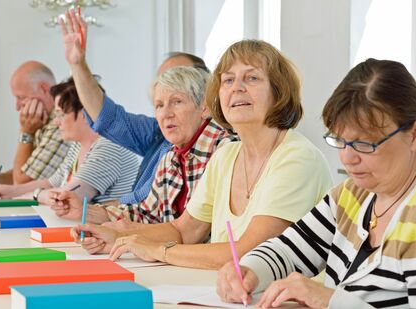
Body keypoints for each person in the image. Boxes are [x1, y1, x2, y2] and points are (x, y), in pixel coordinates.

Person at [68, 40, 332, 270]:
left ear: (279, 92)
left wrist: (158, 250)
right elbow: (185, 230)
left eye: (252, 78)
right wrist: (117, 238)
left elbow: (249, 253)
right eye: (228, 80)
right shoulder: (227, 155)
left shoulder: (297, 157)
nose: (237, 87)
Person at [216, 59, 416, 308]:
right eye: (340, 141)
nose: (347, 158)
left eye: (365, 144)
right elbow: (289, 249)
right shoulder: (353, 195)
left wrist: (330, 300)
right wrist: (249, 269)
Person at [56, 9, 209, 207]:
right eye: (160, 100)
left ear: (204, 93)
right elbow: (108, 118)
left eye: (178, 85)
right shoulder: (158, 131)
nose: (167, 110)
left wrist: (102, 211)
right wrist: (77, 64)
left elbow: (147, 205)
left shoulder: (215, 145)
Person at [50, 65, 237, 224]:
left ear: (204, 107)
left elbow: (187, 232)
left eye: (177, 102)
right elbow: (147, 214)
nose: (166, 114)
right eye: (159, 105)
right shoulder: (172, 155)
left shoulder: (224, 150)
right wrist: (85, 212)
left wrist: (135, 241)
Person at [0, 77, 139, 205]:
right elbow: (52, 183)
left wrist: (36, 195)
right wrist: (11, 191)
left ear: (85, 113)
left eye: (61, 114)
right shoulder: (79, 144)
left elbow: (66, 198)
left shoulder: (109, 146)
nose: (56, 121)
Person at [0, 61, 70, 186]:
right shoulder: (43, 120)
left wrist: (26, 132)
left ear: (44, 89)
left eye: (21, 97)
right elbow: (31, 171)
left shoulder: (60, 124)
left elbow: (22, 183)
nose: (17, 107)